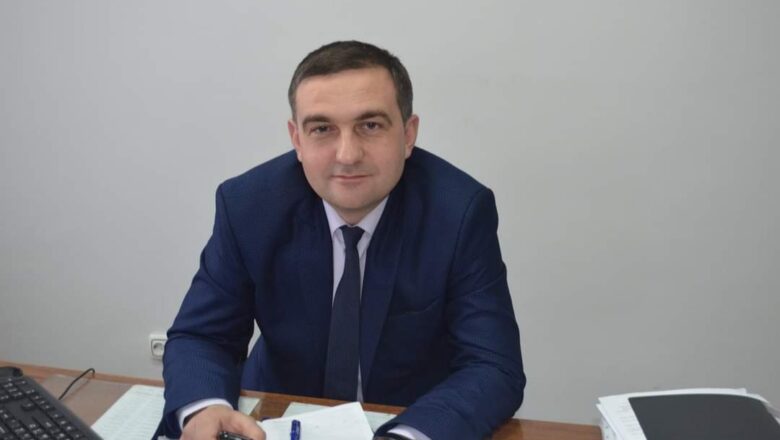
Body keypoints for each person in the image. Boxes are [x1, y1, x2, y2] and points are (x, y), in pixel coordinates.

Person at [159, 41, 525, 440]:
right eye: (322, 129)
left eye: (370, 126)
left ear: (408, 135)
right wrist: (206, 407)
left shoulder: (459, 212)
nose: (347, 155)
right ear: (297, 140)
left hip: (408, 418)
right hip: (275, 418)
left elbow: (492, 365)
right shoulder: (248, 206)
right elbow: (202, 336)